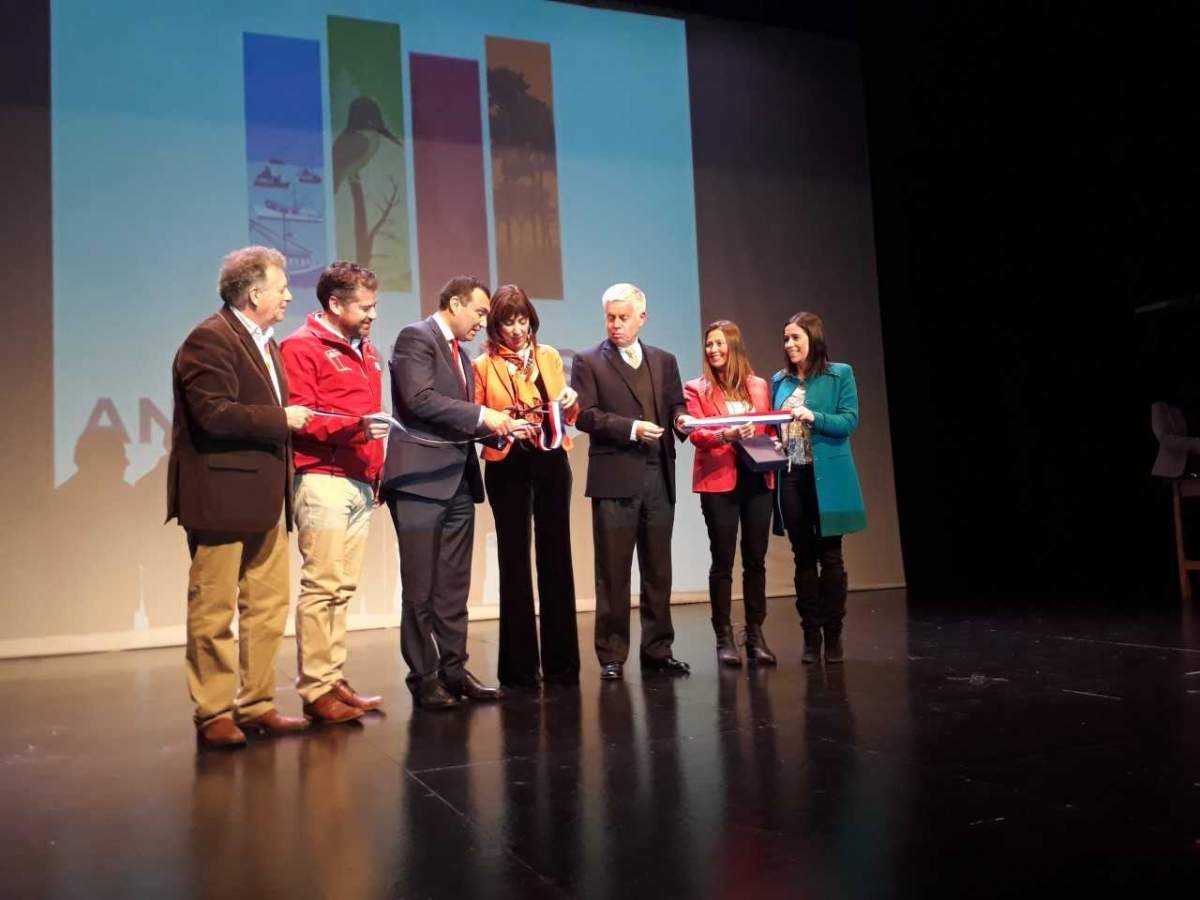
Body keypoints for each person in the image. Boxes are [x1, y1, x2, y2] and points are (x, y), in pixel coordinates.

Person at [168, 246, 314, 747]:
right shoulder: (210, 340)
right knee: (214, 610)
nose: (289, 296)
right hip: (222, 497)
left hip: (266, 498)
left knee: (267, 607)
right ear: (254, 293)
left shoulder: (267, 343)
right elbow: (213, 413)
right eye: (281, 287)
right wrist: (282, 419)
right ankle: (212, 712)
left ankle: (256, 703)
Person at [380, 276, 525, 710]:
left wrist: (501, 432)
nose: (484, 321)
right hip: (420, 483)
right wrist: (485, 415)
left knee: (453, 588)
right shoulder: (415, 338)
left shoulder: (460, 355)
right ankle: (423, 678)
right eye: (479, 312)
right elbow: (419, 399)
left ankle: (454, 671)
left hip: (458, 480)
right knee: (420, 588)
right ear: (455, 304)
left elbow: (458, 422)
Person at [280, 261, 388, 725]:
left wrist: (376, 470)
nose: (373, 316)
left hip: (360, 481)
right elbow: (299, 418)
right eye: (365, 307)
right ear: (334, 304)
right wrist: (356, 429)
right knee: (322, 585)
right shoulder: (300, 347)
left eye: (374, 307)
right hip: (321, 477)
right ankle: (315, 688)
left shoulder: (366, 350)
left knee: (342, 588)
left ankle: (332, 677)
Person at [570, 282, 691, 680]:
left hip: (658, 476)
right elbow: (585, 416)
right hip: (615, 478)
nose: (616, 325)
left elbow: (675, 403)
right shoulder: (589, 361)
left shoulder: (664, 360)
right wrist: (631, 428)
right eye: (610, 317)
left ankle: (658, 649)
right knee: (613, 572)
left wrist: (680, 419)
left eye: (623, 317)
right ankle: (611, 655)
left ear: (642, 318)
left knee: (658, 569)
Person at [472, 285, 581, 688]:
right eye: (507, 322)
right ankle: (518, 669)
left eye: (522, 321)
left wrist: (570, 401)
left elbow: (569, 411)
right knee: (514, 562)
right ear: (494, 325)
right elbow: (477, 424)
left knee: (557, 557)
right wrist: (502, 428)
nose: (516, 330)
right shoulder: (482, 365)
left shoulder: (549, 356)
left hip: (551, 458)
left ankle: (562, 663)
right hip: (508, 464)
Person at [771, 312, 866, 664]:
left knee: (831, 556)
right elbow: (772, 427)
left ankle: (834, 636)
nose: (790, 345)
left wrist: (815, 417)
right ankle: (810, 637)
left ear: (812, 338)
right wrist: (773, 445)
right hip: (793, 475)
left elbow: (850, 420)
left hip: (827, 476)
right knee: (803, 557)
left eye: (796, 337)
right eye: (786, 339)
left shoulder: (839, 374)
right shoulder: (779, 381)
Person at [684, 320, 777, 668]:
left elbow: (768, 427)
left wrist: (770, 438)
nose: (714, 350)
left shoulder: (759, 386)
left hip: (756, 480)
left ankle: (755, 634)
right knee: (722, 561)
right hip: (718, 481)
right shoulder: (697, 388)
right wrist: (728, 434)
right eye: (709, 344)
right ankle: (723, 636)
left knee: (756, 560)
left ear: (734, 346)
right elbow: (696, 434)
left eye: (720, 343)